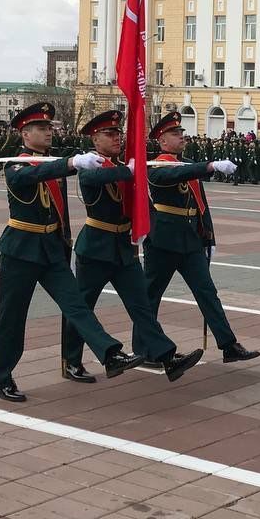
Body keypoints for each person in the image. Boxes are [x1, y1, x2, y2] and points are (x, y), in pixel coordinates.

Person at [0, 102, 142, 402]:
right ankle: (2, 377)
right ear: (25, 133)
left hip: (51, 251)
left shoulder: (51, 163)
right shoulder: (16, 165)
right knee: (12, 318)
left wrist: (64, 244)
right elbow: (29, 177)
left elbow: (59, 209)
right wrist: (72, 164)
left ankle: (110, 355)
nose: (48, 133)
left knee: (77, 307)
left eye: (50, 128)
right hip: (20, 251)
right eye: (41, 128)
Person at [71, 110, 203, 383]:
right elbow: (92, 179)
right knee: (83, 307)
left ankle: (167, 357)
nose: (117, 137)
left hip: (123, 247)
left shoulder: (121, 164)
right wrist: (130, 170)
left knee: (141, 305)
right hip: (95, 247)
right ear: (95, 139)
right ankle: (71, 361)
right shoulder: (91, 164)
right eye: (110, 134)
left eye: (119, 133)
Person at [141, 112, 260, 363]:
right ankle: (145, 348)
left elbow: (200, 204)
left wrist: (209, 238)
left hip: (190, 240)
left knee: (207, 292)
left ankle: (228, 345)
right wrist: (209, 166)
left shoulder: (188, 164)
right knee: (150, 296)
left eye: (182, 133)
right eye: (175, 134)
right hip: (163, 241)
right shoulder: (156, 167)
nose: (182, 137)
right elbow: (171, 176)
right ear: (162, 141)